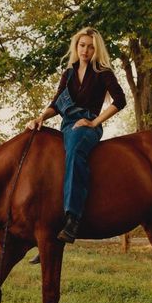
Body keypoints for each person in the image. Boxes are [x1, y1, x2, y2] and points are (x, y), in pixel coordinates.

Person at [27, 27, 126, 243]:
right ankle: (49, 220)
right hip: (67, 124)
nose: (86, 50)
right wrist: (40, 118)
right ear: (76, 46)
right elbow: (56, 104)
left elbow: (120, 100)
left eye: (91, 47)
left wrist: (94, 122)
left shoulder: (102, 72)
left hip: (87, 126)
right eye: (82, 45)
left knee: (74, 151)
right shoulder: (69, 73)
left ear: (96, 49)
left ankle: (72, 219)